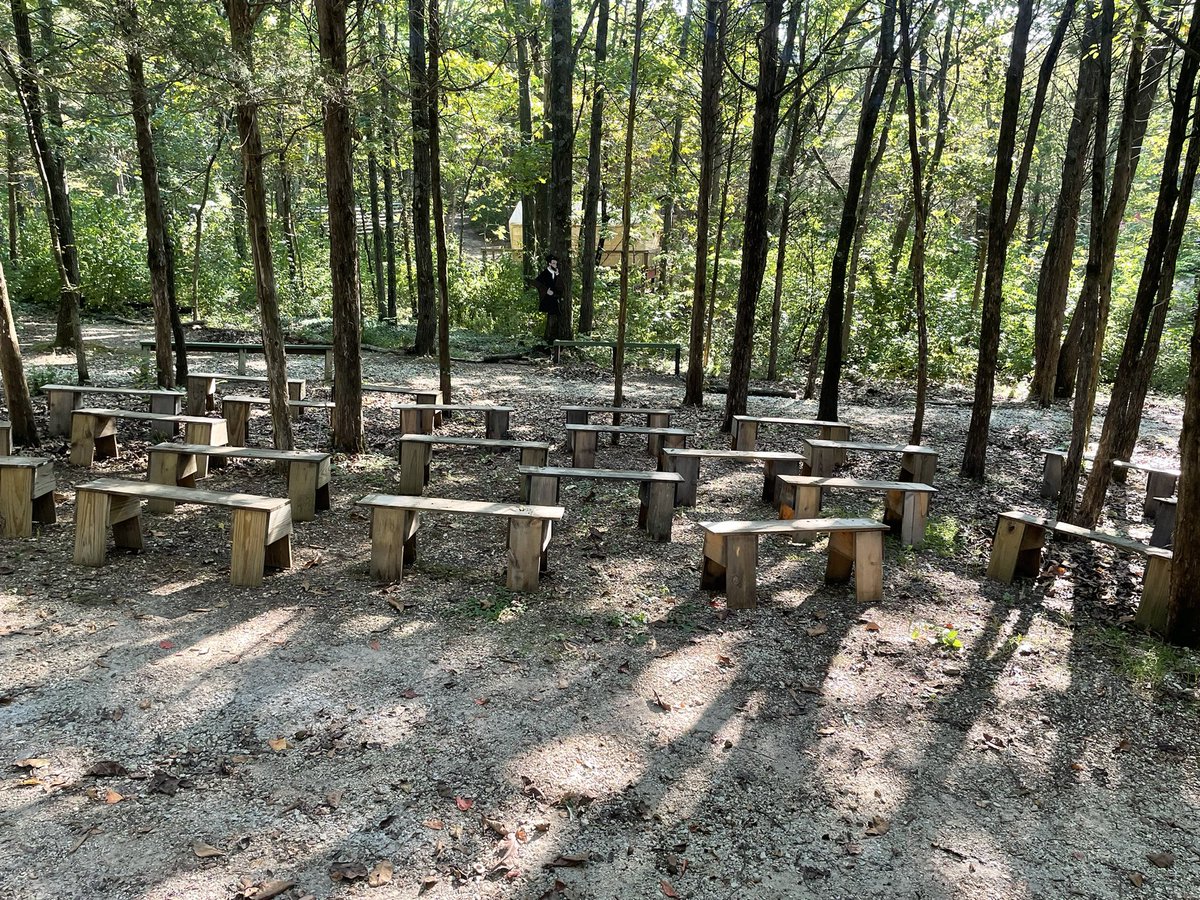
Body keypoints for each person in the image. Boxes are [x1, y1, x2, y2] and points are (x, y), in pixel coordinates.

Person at [532, 254, 563, 342]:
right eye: (553, 263)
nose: (555, 265)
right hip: (547, 299)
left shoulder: (556, 274)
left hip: (555, 299)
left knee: (557, 316)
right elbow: (536, 283)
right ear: (549, 264)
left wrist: (557, 275)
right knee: (552, 316)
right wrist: (546, 291)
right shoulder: (544, 274)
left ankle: (555, 337)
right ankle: (550, 338)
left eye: (556, 264)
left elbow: (560, 287)